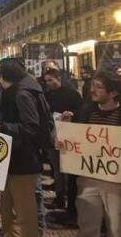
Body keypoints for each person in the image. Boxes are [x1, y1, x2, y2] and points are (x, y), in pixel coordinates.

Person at [60, 70, 121, 237]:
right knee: (87, 227)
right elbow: (69, 144)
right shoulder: (85, 111)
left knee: (116, 228)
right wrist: (65, 129)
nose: (92, 90)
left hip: (115, 181)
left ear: (114, 92)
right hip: (88, 179)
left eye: (99, 87)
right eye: (93, 85)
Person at [0, 58, 44, 237]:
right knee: (7, 205)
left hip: (23, 159)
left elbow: (31, 127)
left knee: (24, 211)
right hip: (10, 158)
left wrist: (3, 127)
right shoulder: (8, 92)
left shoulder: (22, 94)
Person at [43, 69, 83, 212]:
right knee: (57, 170)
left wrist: (72, 114)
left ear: (58, 78)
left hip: (70, 136)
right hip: (54, 135)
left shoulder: (72, 94)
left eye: (51, 80)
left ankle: (71, 202)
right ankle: (59, 198)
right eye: (46, 81)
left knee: (70, 172)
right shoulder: (46, 95)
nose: (49, 83)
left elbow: (82, 111)